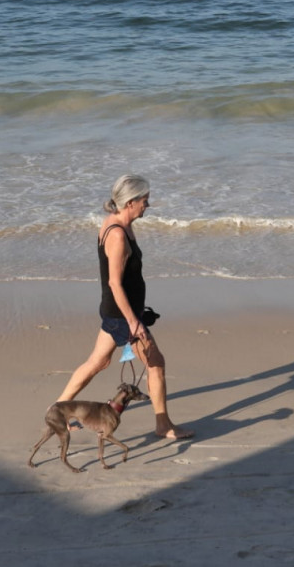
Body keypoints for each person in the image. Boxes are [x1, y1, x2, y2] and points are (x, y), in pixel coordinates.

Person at [56, 174, 193, 440]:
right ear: (130, 202)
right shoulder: (117, 235)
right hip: (122, 315)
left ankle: (58, 411)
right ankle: (163, 425)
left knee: (97, 362)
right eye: (145, 200)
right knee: (156, 364)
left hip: (117, 311)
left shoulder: (118, 223)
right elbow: (115, 283)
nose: (147, 205)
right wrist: (133, 320)